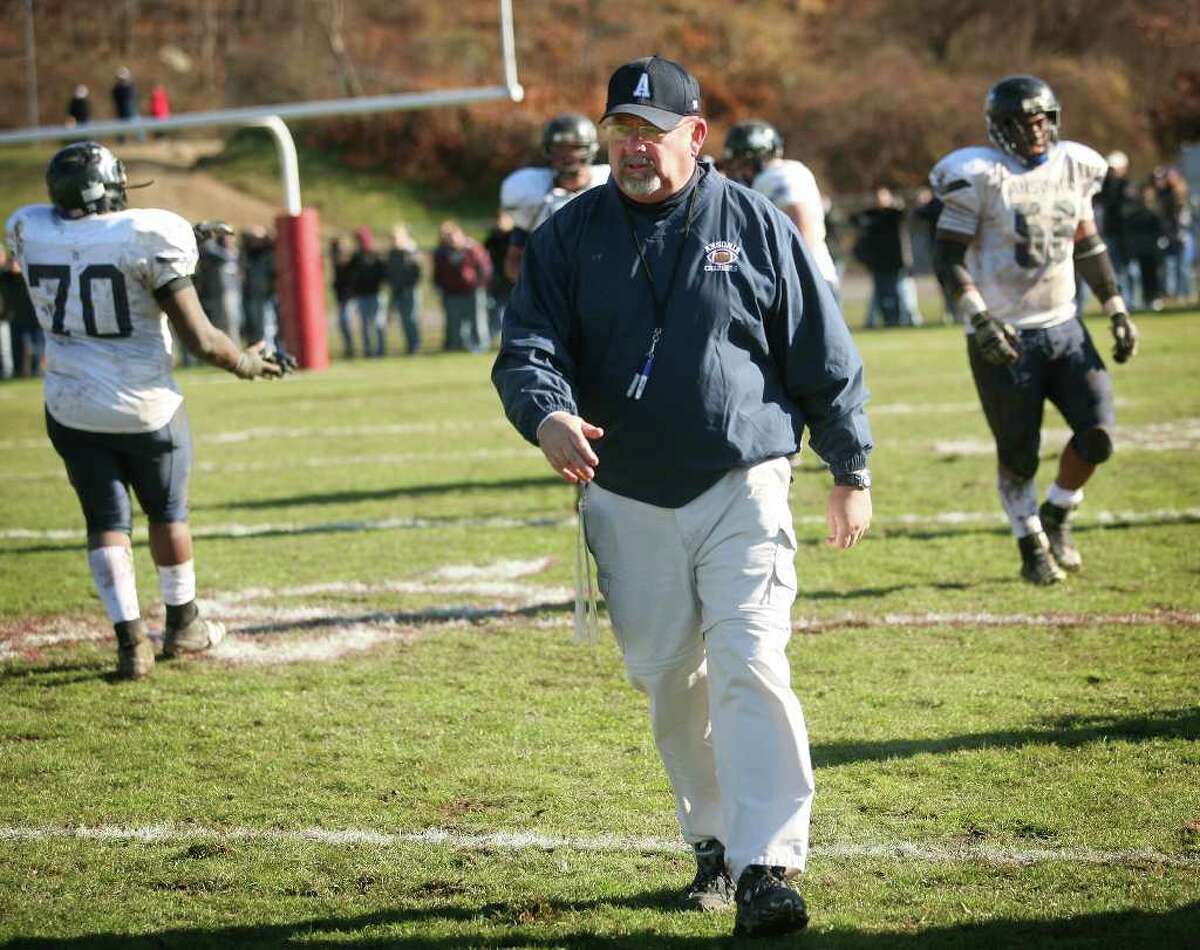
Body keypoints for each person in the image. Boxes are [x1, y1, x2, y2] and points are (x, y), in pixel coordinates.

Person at [493, 55, 872, 939]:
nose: (632, 148)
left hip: (743, 480)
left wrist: (849, 468)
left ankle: (768, 863)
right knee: (670, 680)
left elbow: (822, 351)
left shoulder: (757, 223)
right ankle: (711, 836)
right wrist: (545, 414)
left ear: (695, 137)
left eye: (650, 132)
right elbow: (527, 349)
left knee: (751, 660)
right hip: (622, 489)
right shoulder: (567, 233)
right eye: (619, 131)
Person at [4, 142, 291, 679]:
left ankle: (129, 642)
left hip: (70, 403)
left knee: (105, 522)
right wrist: (247, 364)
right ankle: (184, 625)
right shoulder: (149, 235)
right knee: (167, 514)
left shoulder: (29, 228)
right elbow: (203, 340)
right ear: (109, 185)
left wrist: (188, 235)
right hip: (143, 405)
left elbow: (89, 243)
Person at [930, 75, 1140, 585]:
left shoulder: (1075, 165)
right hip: (1004, 336)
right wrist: (979, 318)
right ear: (1000, 128)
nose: (1037, 130)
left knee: (1098, 435)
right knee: (1018, 454)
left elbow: (1086, 242)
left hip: (1064, 326)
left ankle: (1058, 511)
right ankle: (1030, 543)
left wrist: (1114, 305)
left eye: (1044, 118)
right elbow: (946, 256)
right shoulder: (978, 174)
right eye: (1025, 122)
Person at [721, 119, 840, 293]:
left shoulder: (780, 175)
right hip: (806, 277)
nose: (740, 170)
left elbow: (802, 219)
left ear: (756, 158)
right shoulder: (781, 174)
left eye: (742, 163)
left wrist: (800, 276)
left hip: (805, 280)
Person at [499, 114, 610, 283]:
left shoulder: (610, 184)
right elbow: (513, 264)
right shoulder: (535, 194)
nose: (567, 155)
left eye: (575, 147)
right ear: (548, 150)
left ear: (589, 148)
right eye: (560, 148)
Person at [852, 187, 922, 327]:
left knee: (900, 292)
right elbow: (854, 219)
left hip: (896, 262)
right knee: (881, 293)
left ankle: (904, 320)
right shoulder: (871, 216)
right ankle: (886, 321)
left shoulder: (894, 215)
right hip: (878, 262)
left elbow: (907, 215)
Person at [432, 221, 491, 352]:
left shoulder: (473, 249)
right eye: (448, 237)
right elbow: (438, 273)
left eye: (453, 236)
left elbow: (484, 268)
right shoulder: (442, 253)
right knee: (454, 323)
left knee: (477, 321)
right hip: (452, 293)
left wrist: (479, 284)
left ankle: (480, 346)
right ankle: (455, 347)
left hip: (472, 291)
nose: (452, 240)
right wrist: (439, 287)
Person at [345, 227, 387, 357]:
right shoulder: (356, 257)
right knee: (365, 325)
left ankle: (381, 350)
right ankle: (368, 350)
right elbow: (350, 274)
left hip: (376, 294)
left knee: (378, 323)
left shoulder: (375, 255)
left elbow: (383, 273)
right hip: (362, 295)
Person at [385, 224, 423, 354]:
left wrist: (409, 285)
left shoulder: (411, 251)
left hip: (410, 290)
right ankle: (410, 345)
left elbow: (416, 272)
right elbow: (390, 272)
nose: (394, 240)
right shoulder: (392, 253)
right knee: (403, 320)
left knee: (411, 319)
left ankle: (415, 345)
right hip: (397, 290)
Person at [482, 210, 515, 341]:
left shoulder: (515, 239)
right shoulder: (491, 239)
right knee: (497, 312)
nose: (499, 223)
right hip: (496, 282)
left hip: (513, 282)